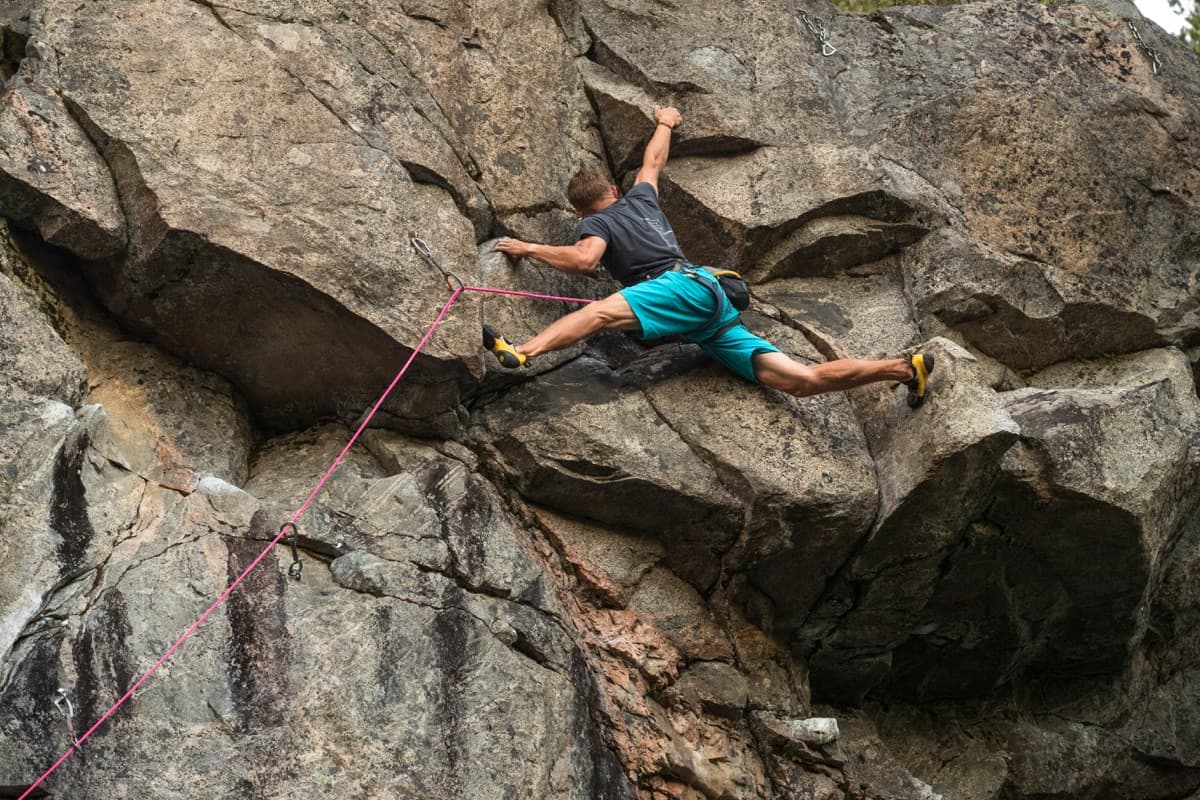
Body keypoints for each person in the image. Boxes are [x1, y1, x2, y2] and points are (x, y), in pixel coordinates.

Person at [485, 106, 933, 406]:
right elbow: (653, 163)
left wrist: (530, 248)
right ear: (613, 191)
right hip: (710, 304)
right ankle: (904, 369)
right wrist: (665, 121)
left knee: (601, 313)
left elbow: (586, 260)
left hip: (679, 289)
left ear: (579, 211)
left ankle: (524, 352)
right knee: (799, 381)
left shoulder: (594, 223)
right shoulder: (641, 199)